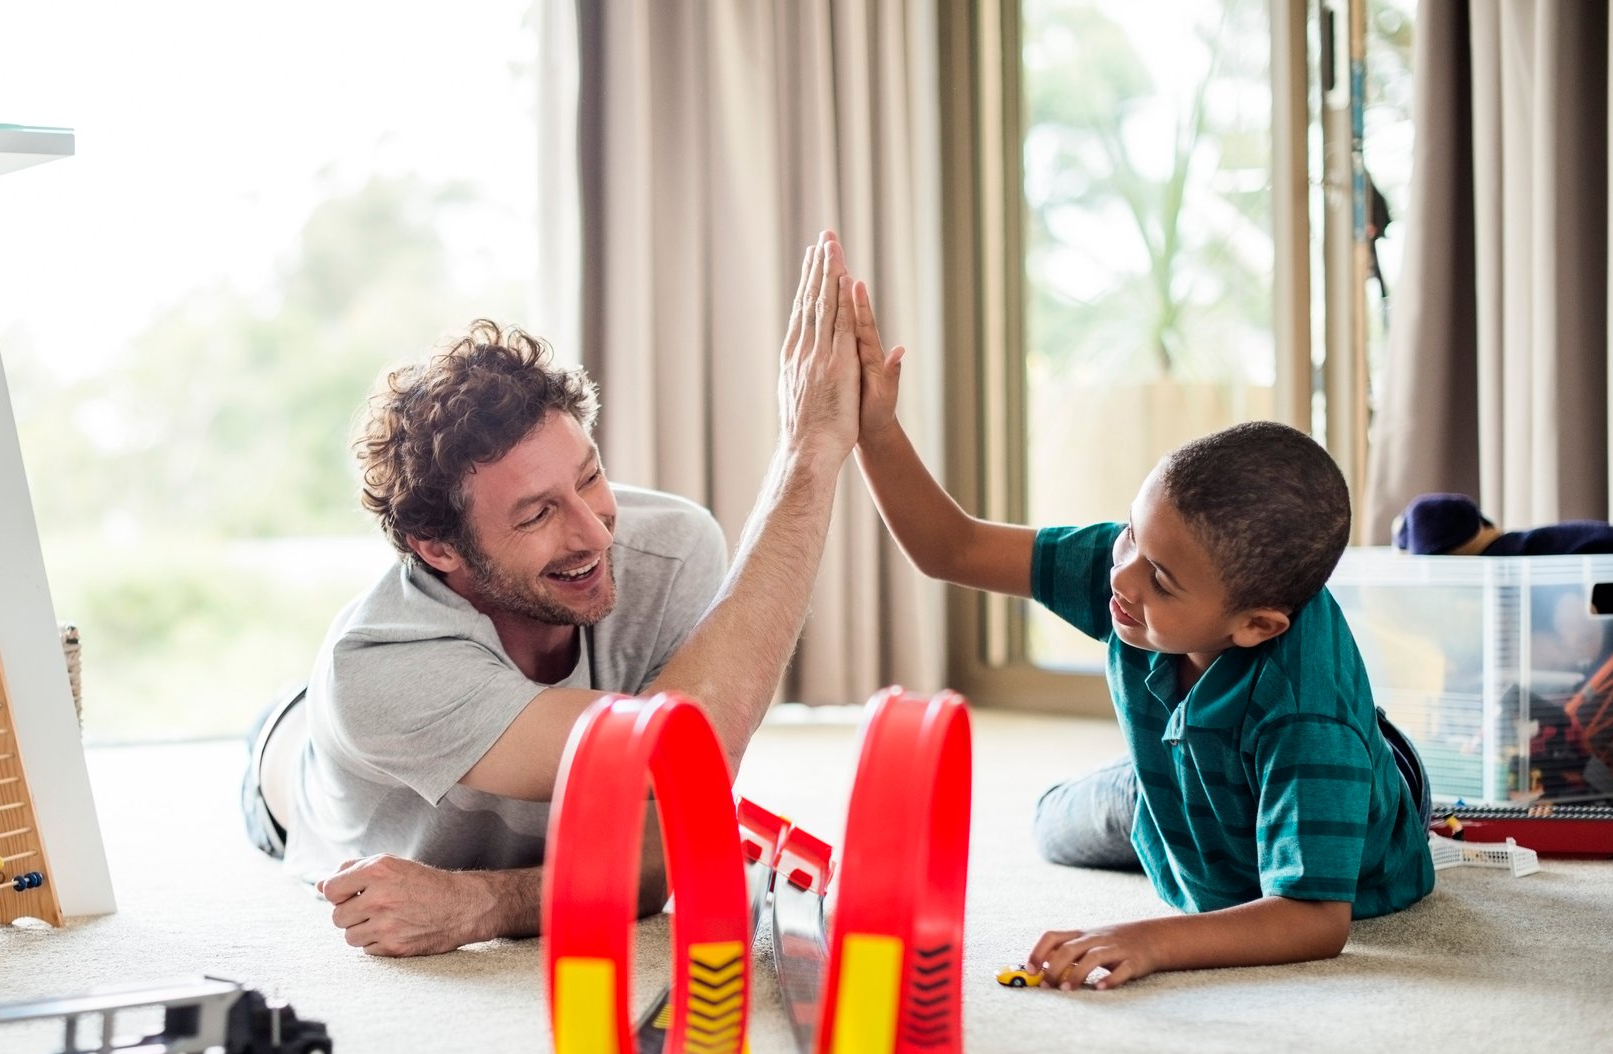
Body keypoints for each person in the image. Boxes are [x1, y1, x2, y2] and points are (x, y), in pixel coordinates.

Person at [241, 233, 864, 957]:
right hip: (303, 769)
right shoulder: (377, 671)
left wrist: (479, 904)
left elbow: (667, 845)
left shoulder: (669, 546)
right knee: (294, 734)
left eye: (589, 476)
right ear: (438, 547)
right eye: (536, 514)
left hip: (461, 714)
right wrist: (805, 455)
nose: (594, 535)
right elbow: (679, 768)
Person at [844, 282, 1434, 991]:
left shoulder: (1309, 720)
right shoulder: (1140, 562)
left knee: (1274, 854)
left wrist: (1146, 942)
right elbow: (953, 547)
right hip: (1174, 790)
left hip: (1328, 809)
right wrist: (874, 427)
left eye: (1159, 580)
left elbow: (1313, 920)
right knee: (1048, 826)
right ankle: (1164, 787)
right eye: (1129, 532)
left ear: (1256, 626)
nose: (1121, 578)